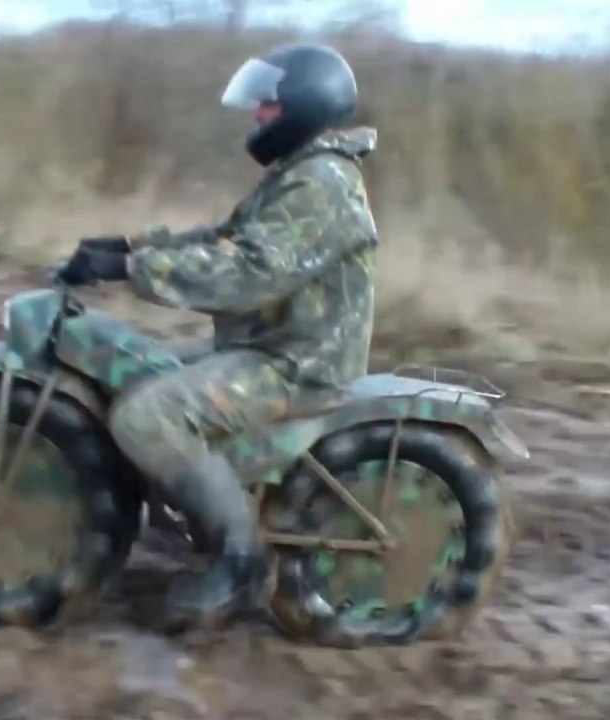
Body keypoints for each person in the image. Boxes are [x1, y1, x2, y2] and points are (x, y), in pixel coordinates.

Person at [57, 41, 379, 630]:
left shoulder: (321, 186)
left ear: (304, 109)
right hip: (268, 345)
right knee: (138, 369)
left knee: (147, 417)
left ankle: (240, 560)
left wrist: (133, 273)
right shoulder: (301, 173)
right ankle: (195, 505)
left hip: (297, 365)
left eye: (268, 107)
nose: (257, 116)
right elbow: (226, 239)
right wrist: (131, 248)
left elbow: (248, 273)